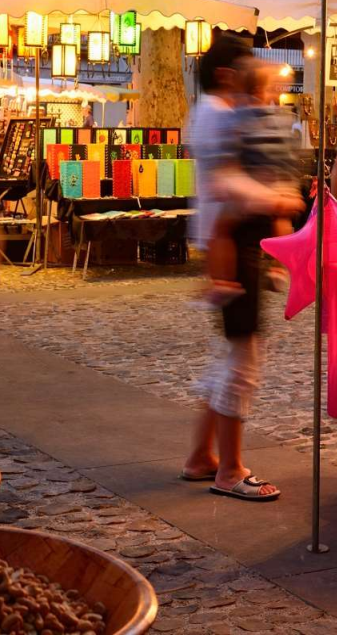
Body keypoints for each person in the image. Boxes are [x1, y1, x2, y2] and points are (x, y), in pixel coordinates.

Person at [183, 35, 304, 501]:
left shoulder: (222, 114)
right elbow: (228, 182)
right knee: (242, 360)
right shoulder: (220, 115)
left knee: (233, 356)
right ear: (225, 75)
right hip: (233, 242)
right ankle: (230, 470)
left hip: (239, 241)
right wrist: (277, 198)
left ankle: (201, 457)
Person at [207, 62, 302, 305]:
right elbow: (291, 153)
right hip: (281, 187)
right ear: (264, 91)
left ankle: (223, 281)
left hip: (254, 191)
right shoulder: (281, 119)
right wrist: (290, 185)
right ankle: (278, 268)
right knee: (281, 221)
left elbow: (231, 151)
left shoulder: (237, 117)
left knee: (221, 230)